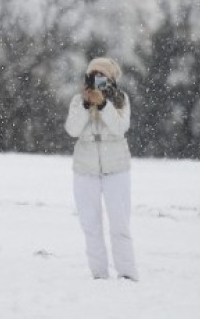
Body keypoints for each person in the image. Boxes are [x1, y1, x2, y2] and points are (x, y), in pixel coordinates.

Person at [64, 57, 139, 281]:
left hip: (116, 167)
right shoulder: (79, 101)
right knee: (90, 223)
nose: (97, 81)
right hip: (85, 168)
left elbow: (120, 128)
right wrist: (87, 105)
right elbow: (73, 130)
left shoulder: (121, 100)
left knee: (120, 223)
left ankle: (126, 273)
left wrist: (104, 104)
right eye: (92, 75)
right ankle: (99, 274)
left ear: (111, 79)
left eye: (102, 76)